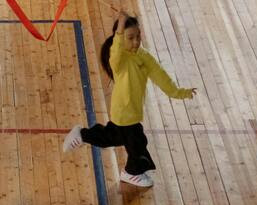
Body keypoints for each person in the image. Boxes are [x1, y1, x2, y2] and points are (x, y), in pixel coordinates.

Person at [63, 10, 196, 188]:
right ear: (120, 38)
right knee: (137, 142)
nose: (136, 41)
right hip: (123, 112)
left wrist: (179, 92)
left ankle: (83, 135)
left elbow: (161, 77)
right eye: (130, 37)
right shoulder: (119, 60)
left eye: (138, 36)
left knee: (112, 138)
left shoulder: (144, 57)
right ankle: (131, 172)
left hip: (132, 112)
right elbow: (116, 49)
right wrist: (120, 26)